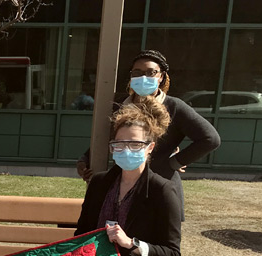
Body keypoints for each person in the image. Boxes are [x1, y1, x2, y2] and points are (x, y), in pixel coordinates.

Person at [75, 97, 181, 256]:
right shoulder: (100, 183)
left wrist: (131, 244)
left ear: (150, 147)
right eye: (119, 144)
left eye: (134, 145)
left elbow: (172, 253)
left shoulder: (161, 190)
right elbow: (81, 233)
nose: (125, 150)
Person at [76, 50, 221, 205]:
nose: (143, 77)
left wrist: (173, 163)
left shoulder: (174, 106)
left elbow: (210, 139)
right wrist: (86, 159)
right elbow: (109, 138)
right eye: (137, 72)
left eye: (151, 72)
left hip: (160, 188)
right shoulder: (120, 105)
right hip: (123, 186)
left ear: (161, 76)